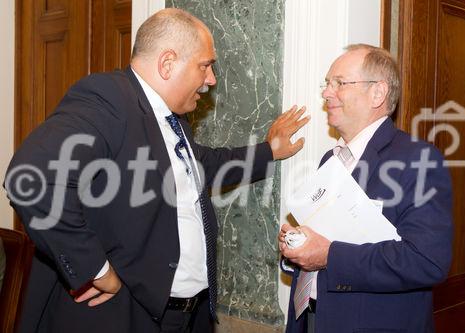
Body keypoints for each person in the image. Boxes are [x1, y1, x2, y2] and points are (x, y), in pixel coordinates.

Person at [5, 8, 308, 333]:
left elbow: (201, 165)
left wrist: (270, 151)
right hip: (120, 316)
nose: (211, 79)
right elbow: (33, 180)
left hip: (186, 316)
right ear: (167, 64)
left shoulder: (172, 118)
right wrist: (96, 269)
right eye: (205, 66)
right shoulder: (108, 98)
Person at [279, 44, 453, 333]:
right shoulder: (330, 159)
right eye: (327, 84)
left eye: (340, 83)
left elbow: (426, 260)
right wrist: (297, 247)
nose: (326, 93)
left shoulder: (418, 159)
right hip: (312, 320)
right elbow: (323, 241)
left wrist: (328, 255)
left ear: (378, 93)